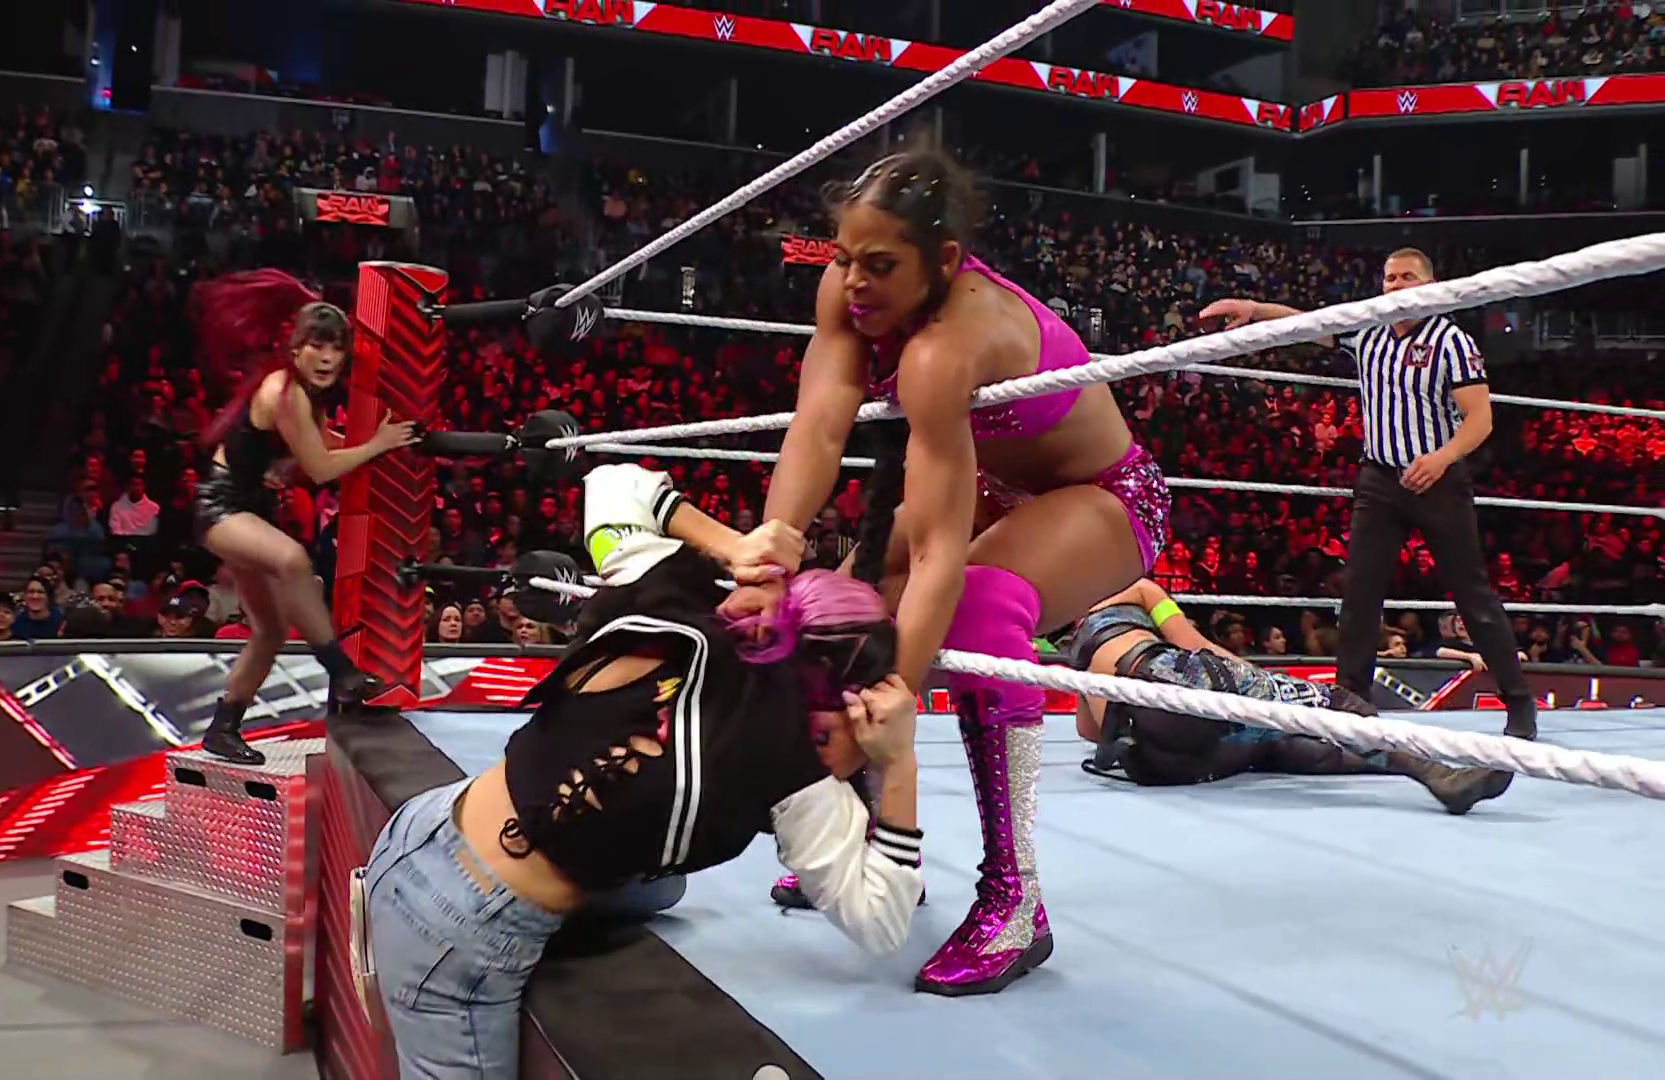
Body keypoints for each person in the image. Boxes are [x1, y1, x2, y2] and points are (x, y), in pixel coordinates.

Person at [723, 145, 1169, 996]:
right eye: (845, 257)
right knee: (845, 600)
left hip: (1106, 494)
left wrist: (896, 691)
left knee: (977, 608)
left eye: (881, 265)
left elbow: (937, 553)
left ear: (946, 261)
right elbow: (819, 426)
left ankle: (1016, 898)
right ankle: (878, 832)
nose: (856, 281)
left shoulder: (945, 346)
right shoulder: (848, 294)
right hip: (997, 487)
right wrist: (776, 542)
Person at [355, 464, 924, 1079]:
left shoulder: (676, 590)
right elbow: (882, 921)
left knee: (663, 886)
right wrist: (900, 765)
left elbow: (610, 482)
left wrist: (734, 546)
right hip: (461, 922)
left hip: (431, 820)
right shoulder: (793, 767)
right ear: (837, 709)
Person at [1199, 248, 1538, 743]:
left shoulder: (1450, 341)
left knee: (1472, 594)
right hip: (1378, 480)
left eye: (1407, 277)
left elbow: (1480, 418)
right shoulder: (1368, 331)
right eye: (1389, 278)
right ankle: (1352, 705)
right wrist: (1254, 310)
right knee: (1359, 594)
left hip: (1438, 479)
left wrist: (1441, 458)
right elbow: (1307, 323)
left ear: (1430, 285)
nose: (1395, 286)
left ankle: (1520, 703)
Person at [191, 270, 420, 765]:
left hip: (251, 505)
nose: (328, 357)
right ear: (296, 349)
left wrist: (376, 441)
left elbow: (323, 446)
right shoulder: (284, 391)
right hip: (222, 505)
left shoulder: (303, 395)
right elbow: (319, 469)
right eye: (318, 345)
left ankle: (223, 728)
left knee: (271, 631)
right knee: (293, 560)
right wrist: (377, 445)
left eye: (337, 348)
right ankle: (341, 670)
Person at [1065, 580, 1514, 815]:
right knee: (1328, 702)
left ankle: (1431, 776)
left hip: (1152, 764)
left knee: (1272, 742)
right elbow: (1195, 648)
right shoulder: (1138, 589)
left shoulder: (1076, 649)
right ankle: (1433, 772)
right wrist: (1267, 684)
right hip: (1166, 683)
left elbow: (1089, 730)